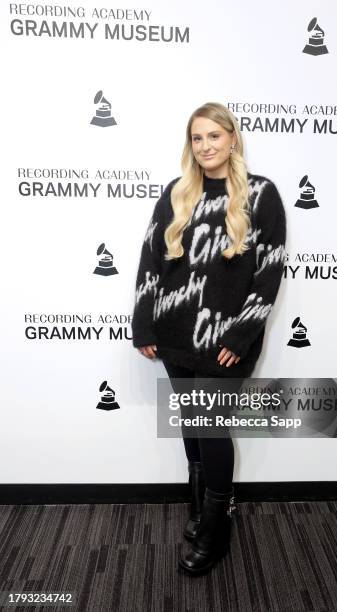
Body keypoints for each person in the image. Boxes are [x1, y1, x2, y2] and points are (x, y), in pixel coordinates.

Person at [131, 101, 286, 576]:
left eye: (213, 137)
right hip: (176, 335)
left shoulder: (262, 195)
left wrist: (240, 335)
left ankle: (217, 529)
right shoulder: (176, 194)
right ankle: (201, 512)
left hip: (225, 343)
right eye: (197, 139)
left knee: (213, 429)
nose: (205, 147)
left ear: (232, 139)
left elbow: (270, 272)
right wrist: (144, 323)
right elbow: (150, 261)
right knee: (193, 427)